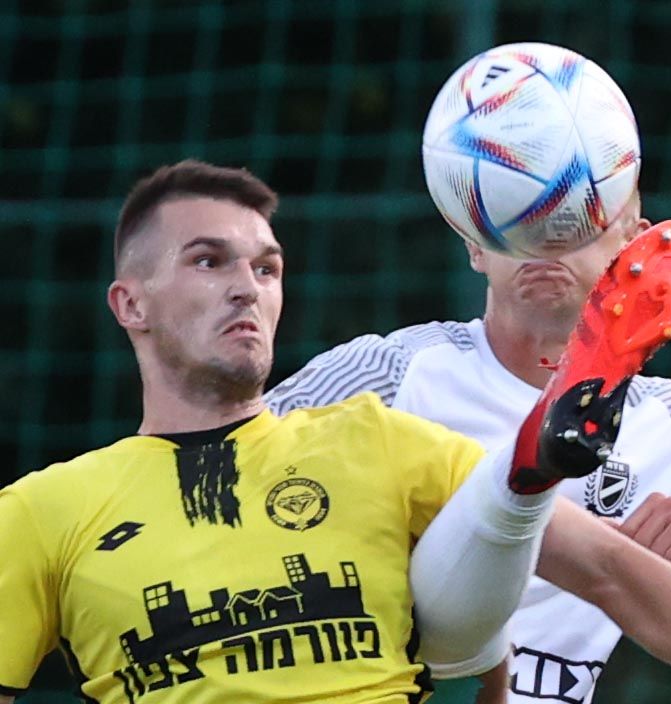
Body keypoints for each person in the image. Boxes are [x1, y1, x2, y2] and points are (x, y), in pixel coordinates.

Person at [0, 159, 628, 704]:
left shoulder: (378, 439)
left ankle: (528, 473)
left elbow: (608, 573)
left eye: (266, 270)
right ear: (130, 304)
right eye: (208, 261)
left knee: (492, 548)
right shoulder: (41, 511)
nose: (247, 289)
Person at [266, 189, 671, 703]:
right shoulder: (390, 374)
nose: (544, 239)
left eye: (576, 219)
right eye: (514, 215)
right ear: (474, 244)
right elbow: (215, 469)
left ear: (634, 243)